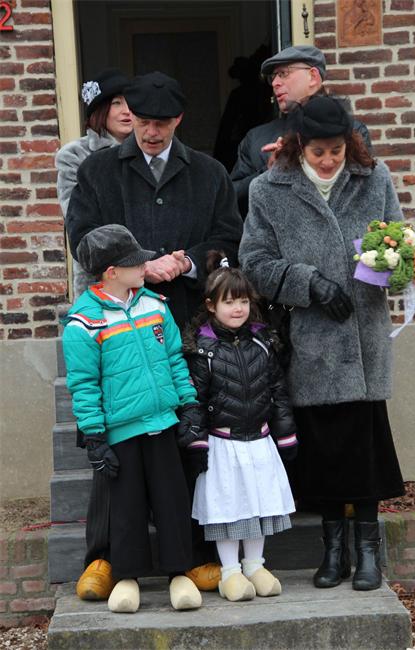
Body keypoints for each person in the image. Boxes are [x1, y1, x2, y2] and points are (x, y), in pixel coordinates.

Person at [65, 71, 243, 597]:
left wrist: (186, 262)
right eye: (142, 122)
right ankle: (104, 556)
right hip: (116, 322)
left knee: (188, 438)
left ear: (178, 120)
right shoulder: (99, 171)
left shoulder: (209, 173)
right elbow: (82, 237)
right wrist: (140, 264)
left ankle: (192, 552)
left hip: (186, 321)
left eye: (161, 124)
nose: (150, 132)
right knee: (115, 439)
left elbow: (229, 237)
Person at [239, 95, 405, 592]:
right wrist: (308, 283)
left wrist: (393, 264)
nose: (329, 160)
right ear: (299, 145)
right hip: (312, 339)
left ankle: (368, 551)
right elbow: (255, 261)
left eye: (337, 150)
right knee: (326, 451)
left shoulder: (374, 179)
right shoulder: (269, 189)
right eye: (319, 152)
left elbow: (397, 242)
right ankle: (333, 551)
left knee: (364, 449)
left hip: (363, 335)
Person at [62, 224, 204, 613]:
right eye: (136, 262)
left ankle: (179, 572)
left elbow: (174, 358)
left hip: (164, 424)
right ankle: (127, 576)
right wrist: (95, 437)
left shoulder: (155, 305)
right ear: (111, 272)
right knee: (126, 509)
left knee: (173, 500)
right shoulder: (84, 323)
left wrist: (189, 404)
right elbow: (84, 384)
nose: (145, 266)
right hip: (121, 433)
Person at [179, 252, 297, 602]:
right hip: (223, 444)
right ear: (211, 305)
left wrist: (286, 434)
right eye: (229, 302)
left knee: (259, 504)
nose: (238, 309)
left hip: (259, 440)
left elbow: (278, 391)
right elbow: (193, 400)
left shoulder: (263, 342)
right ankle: (230, 571)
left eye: (243, 301)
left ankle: (255, 565)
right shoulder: (203, 350)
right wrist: (195, 441)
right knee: (228, 507)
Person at [230, 45, 371, 217]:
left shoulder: (352, 131)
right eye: (273, 77)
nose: (274, 83)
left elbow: (361, 196)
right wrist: (269, 171)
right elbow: (232, 198)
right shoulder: (255, 138)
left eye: (283, 73)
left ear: (313, 77)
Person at [56, 68, 132, 298]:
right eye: (116, 103)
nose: (127, 111)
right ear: (100, 110)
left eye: (130, 101)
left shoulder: (150, 152)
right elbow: (76, 218)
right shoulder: (75, 155)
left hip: (149, 271)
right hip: (99, 274)